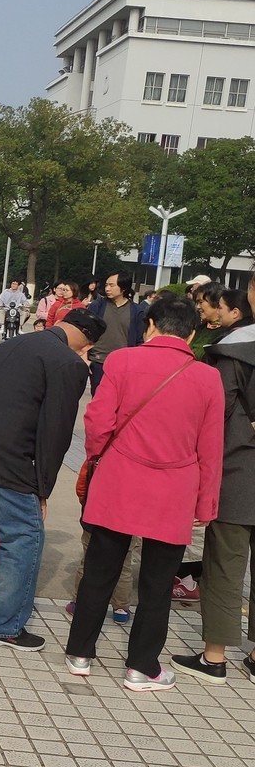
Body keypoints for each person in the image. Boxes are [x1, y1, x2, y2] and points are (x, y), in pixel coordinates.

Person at [66, 296, 225, 692]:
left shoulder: (121, 361)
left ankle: (80, 653)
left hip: (119, 480)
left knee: (100, 571)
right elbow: (211, 448)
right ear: (192, 332)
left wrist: (96, 459)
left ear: (150, 324)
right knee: (156, 584)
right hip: (173, 491)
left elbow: (99, 420)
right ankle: (141, 667)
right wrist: (207, 502)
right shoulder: (208, 378)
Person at [0, 308, 107, 651]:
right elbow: (56, 431)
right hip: (8, 455)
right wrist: (42, 488)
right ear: (85, 338)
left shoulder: (15, 342)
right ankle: (2, 626)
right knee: (23, 535)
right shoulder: (67, 363)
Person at [171, 289, 255, 686]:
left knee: (225, 565)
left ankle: (215, 657)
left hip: (239, 472)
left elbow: (215, 413)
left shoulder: (233, 352)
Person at [86, 271, 147, 394]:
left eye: (112, 285)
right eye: (106, 285)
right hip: (98, 361)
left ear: (123, 287)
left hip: (124, 365)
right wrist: (86, 359)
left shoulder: (137, 311)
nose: (107, 288)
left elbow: (140, 340)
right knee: (98, 400)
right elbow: (85, 332)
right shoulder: (97, 306)